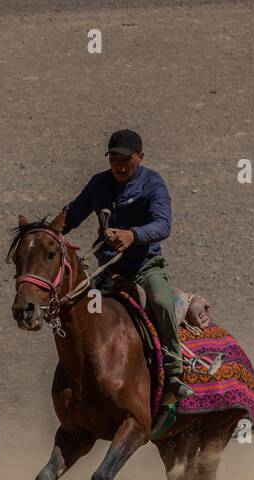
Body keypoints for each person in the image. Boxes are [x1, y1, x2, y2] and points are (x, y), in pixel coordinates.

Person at [60, 129, 190, 405]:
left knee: (160, 300)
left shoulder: (153, 184)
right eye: (114, 159)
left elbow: (163, 224)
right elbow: (73, 214)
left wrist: (133, 235)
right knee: (78, 311)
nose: (119, 165)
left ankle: (174, 370)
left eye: (126, 159)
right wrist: (47, 233)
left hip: (144, 267)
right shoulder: (98, 184)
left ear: (140, 157)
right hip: (107, 270)